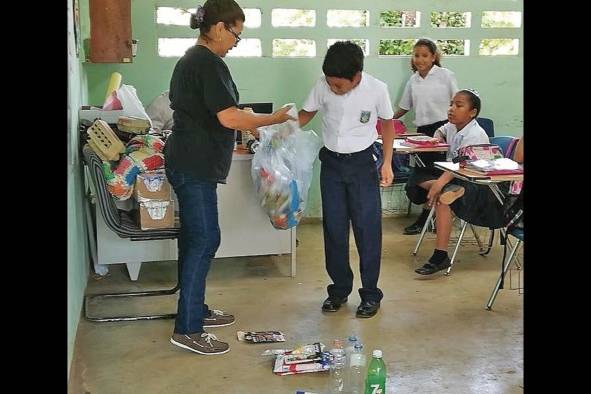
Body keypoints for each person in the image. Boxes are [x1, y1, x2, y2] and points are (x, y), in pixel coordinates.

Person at [164, 0, 293, 355]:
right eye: (237, 33)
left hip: (192, 162)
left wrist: (251, 125)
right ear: (219, 28)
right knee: (204, 240)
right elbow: (228, 118)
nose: (237, 41)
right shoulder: (206, 63)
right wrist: (272, 119)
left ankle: (196, 310)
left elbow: (225, 113)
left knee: (198, 239)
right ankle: (187, 328)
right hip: (193, 166)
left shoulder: (195, 60)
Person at [298, 41, 396, 318]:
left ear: (357, 76)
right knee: (334, 230)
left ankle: (370, 294)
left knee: (367, 230)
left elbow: (387, 125)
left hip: (363, 165)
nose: (333, 89)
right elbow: (305, 115)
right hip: (331, 165)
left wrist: (387, 163)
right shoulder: (322, 85)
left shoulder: (377, 89)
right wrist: (276, 129)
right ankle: (339, 290)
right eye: (330, 84)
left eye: (339, 86)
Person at [408, 89, 494, 275]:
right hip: (455, 177)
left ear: (473, 112)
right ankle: (448, 189)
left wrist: (440, 182)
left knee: (442, 198)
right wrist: (436, 139)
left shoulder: (475, 134)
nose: (452, 109)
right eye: (451, 104)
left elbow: (463, 165)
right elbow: (441, 129)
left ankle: (441, 256)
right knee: (418, 176)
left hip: (476, 185)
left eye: (459, 105)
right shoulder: (453, 126)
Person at [393, 38, 459, 235]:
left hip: (443, 129)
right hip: (422, 133)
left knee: (434, 173)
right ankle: (435, 211)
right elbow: (404, 106)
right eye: (416, 55)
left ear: (433, 57)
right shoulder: (413, 80)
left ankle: (427, 218)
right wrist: (388, 122)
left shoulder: (445, 75)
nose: (420, 59)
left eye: (425, 55)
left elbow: (458, 102)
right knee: (420, 176)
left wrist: (454, 127)